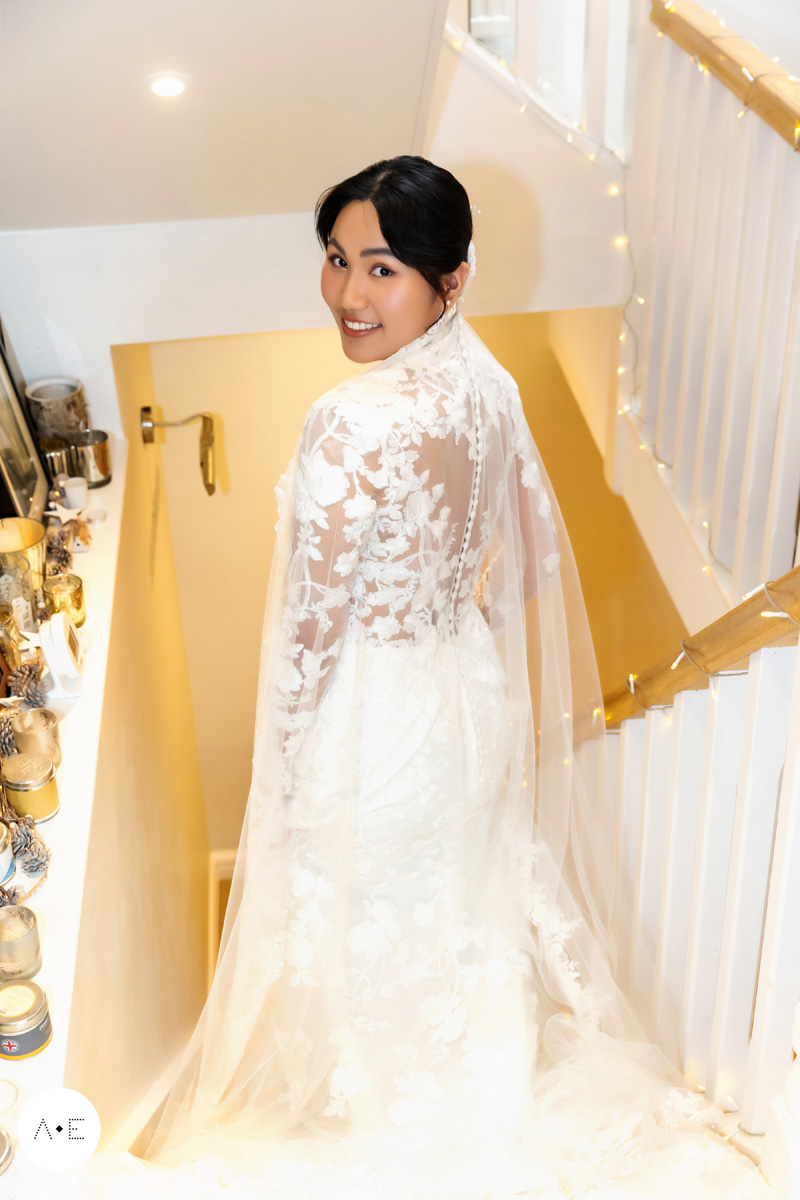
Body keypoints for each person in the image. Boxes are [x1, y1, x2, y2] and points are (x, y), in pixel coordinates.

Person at [28, 156, 769, 1199]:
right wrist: (439, 622)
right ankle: (463, 1084)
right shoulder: (488, 381)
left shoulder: (351, 420)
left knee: (368, 921)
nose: (345, 293)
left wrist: (282, 765)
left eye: (382, 269)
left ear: (449, 280)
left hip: (371, 724)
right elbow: (528, 560)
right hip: (460, 698)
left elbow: (308, 628)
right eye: (335, 260)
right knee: (451, 912)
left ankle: (399, 1124)